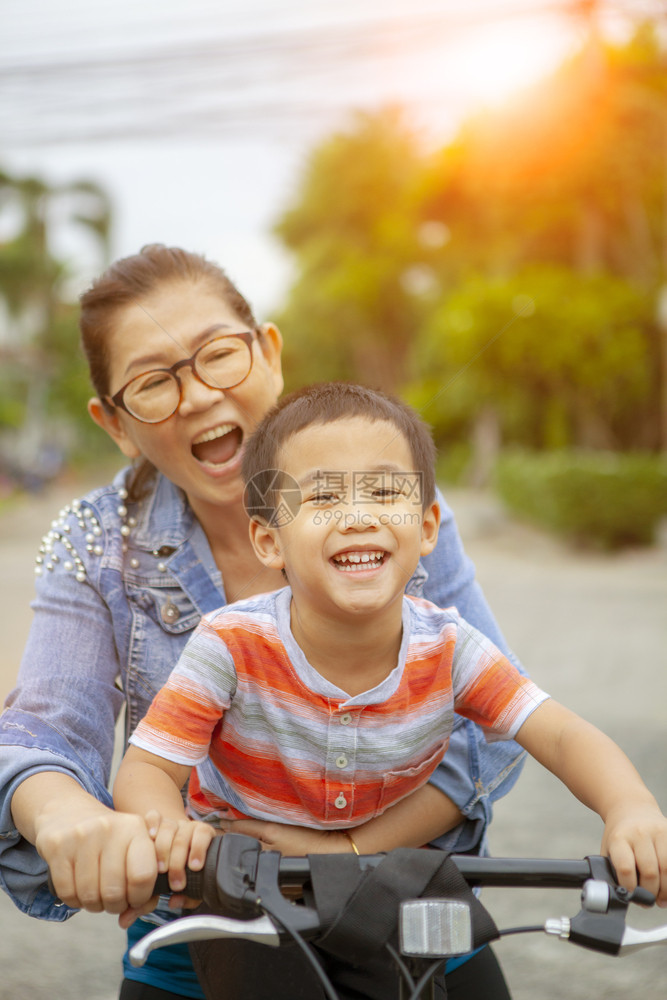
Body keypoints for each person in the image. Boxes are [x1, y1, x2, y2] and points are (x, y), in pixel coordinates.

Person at [0, 246, 527, 1000]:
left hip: (406, 902)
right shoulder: (96, 541)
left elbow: (492, 727)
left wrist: (345, 847)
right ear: (114, 423)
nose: (197, 396)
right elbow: (45, 732)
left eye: (218, 355)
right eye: (153, 382)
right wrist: (68, 819)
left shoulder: (381, 494)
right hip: (206, 924)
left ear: (269, 353)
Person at [113, 382, 667, 997]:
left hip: (392, 899)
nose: (358, 515)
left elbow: (560, 733)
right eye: (322, 496)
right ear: (270, 541)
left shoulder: (451, 648)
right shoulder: (230, 645)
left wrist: (630, 807)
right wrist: (169, 829)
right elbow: (145, 769)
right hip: (239, 905)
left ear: (428, 526)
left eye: (383, 492)